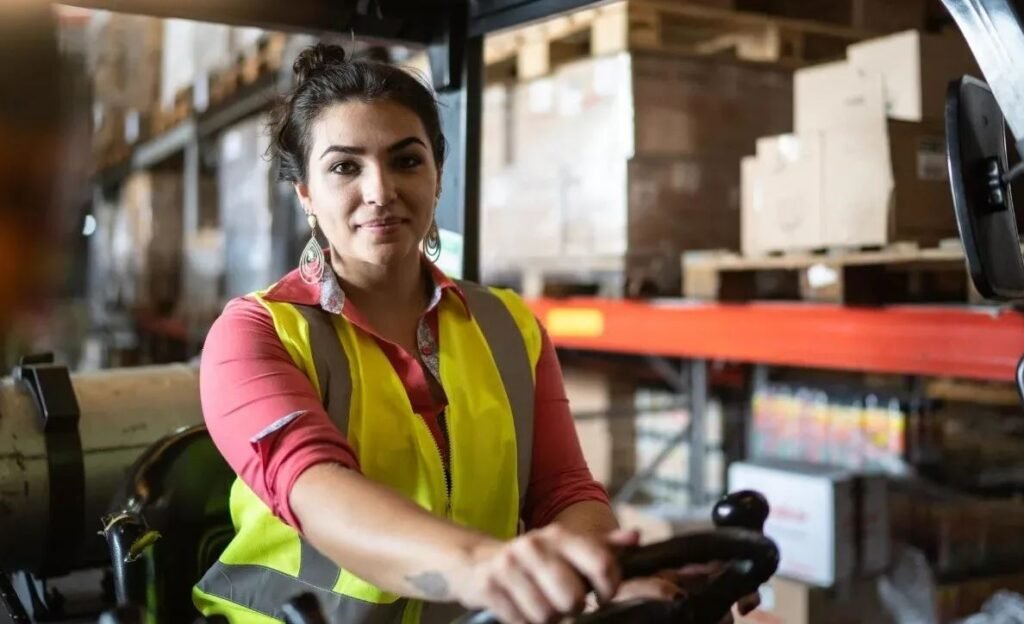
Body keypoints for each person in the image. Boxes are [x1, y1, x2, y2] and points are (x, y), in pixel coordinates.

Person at [195, 43, 759, 624]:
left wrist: (608, 573)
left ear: (438, 174)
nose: (380, 190)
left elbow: (563, 490)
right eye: (345, 167)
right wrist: (488, 568)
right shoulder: (255, 335)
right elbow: (319, 495)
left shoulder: (509, 326)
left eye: (406, 161)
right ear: (305, 193)